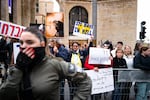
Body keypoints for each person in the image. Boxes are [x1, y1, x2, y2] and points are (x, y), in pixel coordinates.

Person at [0, 26, 92, 100]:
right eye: (21, 42)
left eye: (29, 42)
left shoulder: (55, 64)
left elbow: (85, 80)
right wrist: (19, 69)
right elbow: (5, 95)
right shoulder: (15, 69)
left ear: (42, 44)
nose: (24, 46)